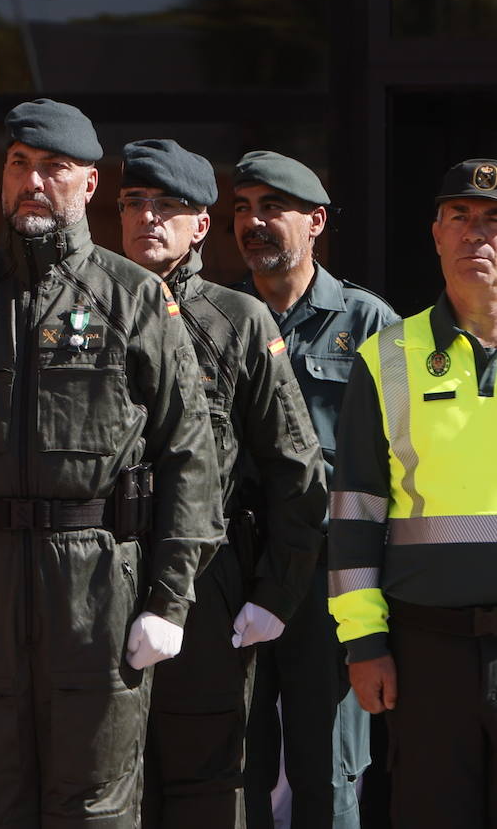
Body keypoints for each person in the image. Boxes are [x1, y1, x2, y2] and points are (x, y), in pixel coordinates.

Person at [0, 99, 221, 827]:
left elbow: (191, 456)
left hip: (96, 592)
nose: (32, 182)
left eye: (54, 168)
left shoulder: (133, 297)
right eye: (20, 164)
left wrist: (169, 600)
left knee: (95, 808)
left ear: (89, 185)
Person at [115, 140, 329, 828]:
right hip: (96, 576)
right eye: (134, 203)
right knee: (102, 780)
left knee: (209, 785)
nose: (149, 218)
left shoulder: (237, 321)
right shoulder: (79, 315)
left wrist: (276, 594)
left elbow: (299, 470)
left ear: (201, 225)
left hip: (209, 583)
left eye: (168, 206)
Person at [229, 151, 399, 829]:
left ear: (317, 222)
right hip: (236, 570)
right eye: (242, 208)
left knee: (326, 774)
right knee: (234, 766)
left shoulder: (365, 324)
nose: (254, 222)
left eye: (273, 208)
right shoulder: (217, 315)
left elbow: (396, 466)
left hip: (329, 583)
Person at [328, 158, 497, 827]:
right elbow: (356, 513)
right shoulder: (387, 357)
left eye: (492, 220)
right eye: (460, 218)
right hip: (427, 654)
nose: (475, 234)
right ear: (435, 233)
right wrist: (364, 642)